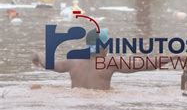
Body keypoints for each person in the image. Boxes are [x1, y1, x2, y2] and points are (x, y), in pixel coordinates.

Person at [32, 29, 169, 90]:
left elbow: (48, 63)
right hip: (100, 104)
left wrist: (38, 54)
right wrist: (173, 57)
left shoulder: (72, 61)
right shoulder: (109, 63)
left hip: (76, 101)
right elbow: (148, 65)